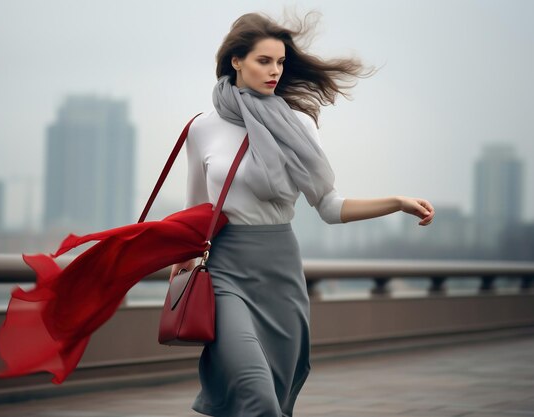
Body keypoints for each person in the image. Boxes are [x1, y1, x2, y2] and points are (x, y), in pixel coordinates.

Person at [169, 11, 435, 417]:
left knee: (273, 398)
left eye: (280, 62)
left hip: (281, 274)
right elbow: (194, 212)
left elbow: (329, 206)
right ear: (236, 61)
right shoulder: (202, 128)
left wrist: (396, 202)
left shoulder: (297, 125)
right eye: (264, 61)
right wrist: (180, 263)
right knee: (255, 394)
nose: (275, 71)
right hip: (225, 272)